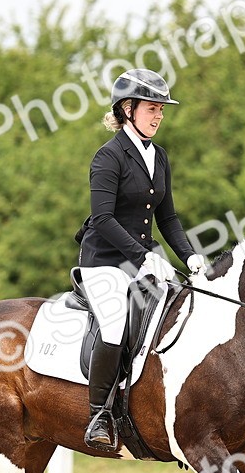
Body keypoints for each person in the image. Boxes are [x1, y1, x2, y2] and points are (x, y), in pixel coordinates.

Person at [76, 68, 206, 451]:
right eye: (152, 108)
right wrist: (143, 257)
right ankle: (98, 414)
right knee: (115, 326)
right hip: (104, 261)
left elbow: (167, 217)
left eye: (161, 110)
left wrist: (190, 255)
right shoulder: (108, 156)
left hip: (142, 260)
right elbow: (103, 218)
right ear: (128, 109)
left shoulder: (158, 156)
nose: (159, 115)